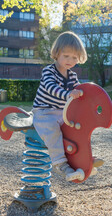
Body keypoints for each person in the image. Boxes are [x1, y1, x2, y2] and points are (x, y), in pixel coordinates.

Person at [32, 31, 103, 182]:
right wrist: (68, 94)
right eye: (66, 56)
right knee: (53, 130)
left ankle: (83, 158)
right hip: (44, 112)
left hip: (61, 112)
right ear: (57, 53)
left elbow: (79, 91)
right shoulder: (48, 71)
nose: (70, 60)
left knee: (76, 128)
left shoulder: (72, 76)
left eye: (74, 57)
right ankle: (60, 163)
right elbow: (51, 87)